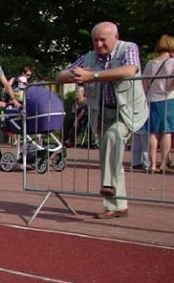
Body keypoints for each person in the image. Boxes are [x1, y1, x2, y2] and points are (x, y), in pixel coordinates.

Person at [56, 21, 148, 219]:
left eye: (103, 40)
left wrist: (93, 76)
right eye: (95, 40)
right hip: (102, 111)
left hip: (128, 111)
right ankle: (116, 206)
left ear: (115, 37)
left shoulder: (128, 48)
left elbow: (130, 70)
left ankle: (108, 186)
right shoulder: (88, 57)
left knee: (113, 138)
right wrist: (74, 75)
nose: (99, 45)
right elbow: (60, 75)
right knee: (109, 154)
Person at [142, 34, 174, 173]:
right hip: (168, 98)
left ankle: (152, 164)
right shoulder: (172, 62)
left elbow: (144, 84)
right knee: (166, 131)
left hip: (151, 99)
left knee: (153, 133)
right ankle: (163, 164)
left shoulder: (150, 63)